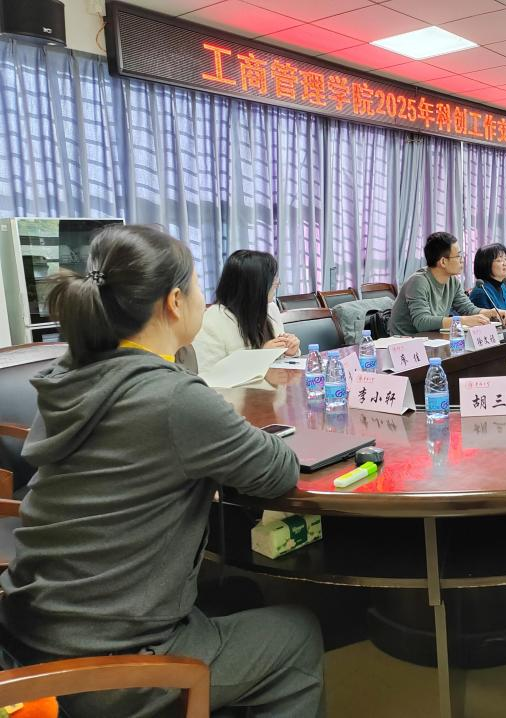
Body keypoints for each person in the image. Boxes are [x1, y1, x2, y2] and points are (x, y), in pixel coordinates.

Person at [0, 225, 325, 717]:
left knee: (238, 592)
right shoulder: (174, 399)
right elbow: (278, 472)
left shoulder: (69, 378)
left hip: (30, 635)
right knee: (298, 633)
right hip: (107, 668)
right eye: (195, 285)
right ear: (175, 302)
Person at [192, 249, 300, 372]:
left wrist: (290, 351)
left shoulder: (270, 308)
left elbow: (279, 359)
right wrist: (261, 357)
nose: (277, 283)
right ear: (255, 285)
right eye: (272, 279)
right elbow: (210, 375)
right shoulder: (212, 321)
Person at [389, 232, 506, 335]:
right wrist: (464, 320)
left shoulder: (452, 281)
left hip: (433, 337)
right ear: (443, 262)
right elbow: (422, 322)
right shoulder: (418, 282)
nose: (462, 260)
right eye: (458, 256)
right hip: (405, 342)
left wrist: (493, 312)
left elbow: (468, 309)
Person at [469, 243, 506, 313]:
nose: (505, 263)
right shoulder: (481, 292)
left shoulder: (503, 287)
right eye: (499, 260)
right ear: (485, 264)